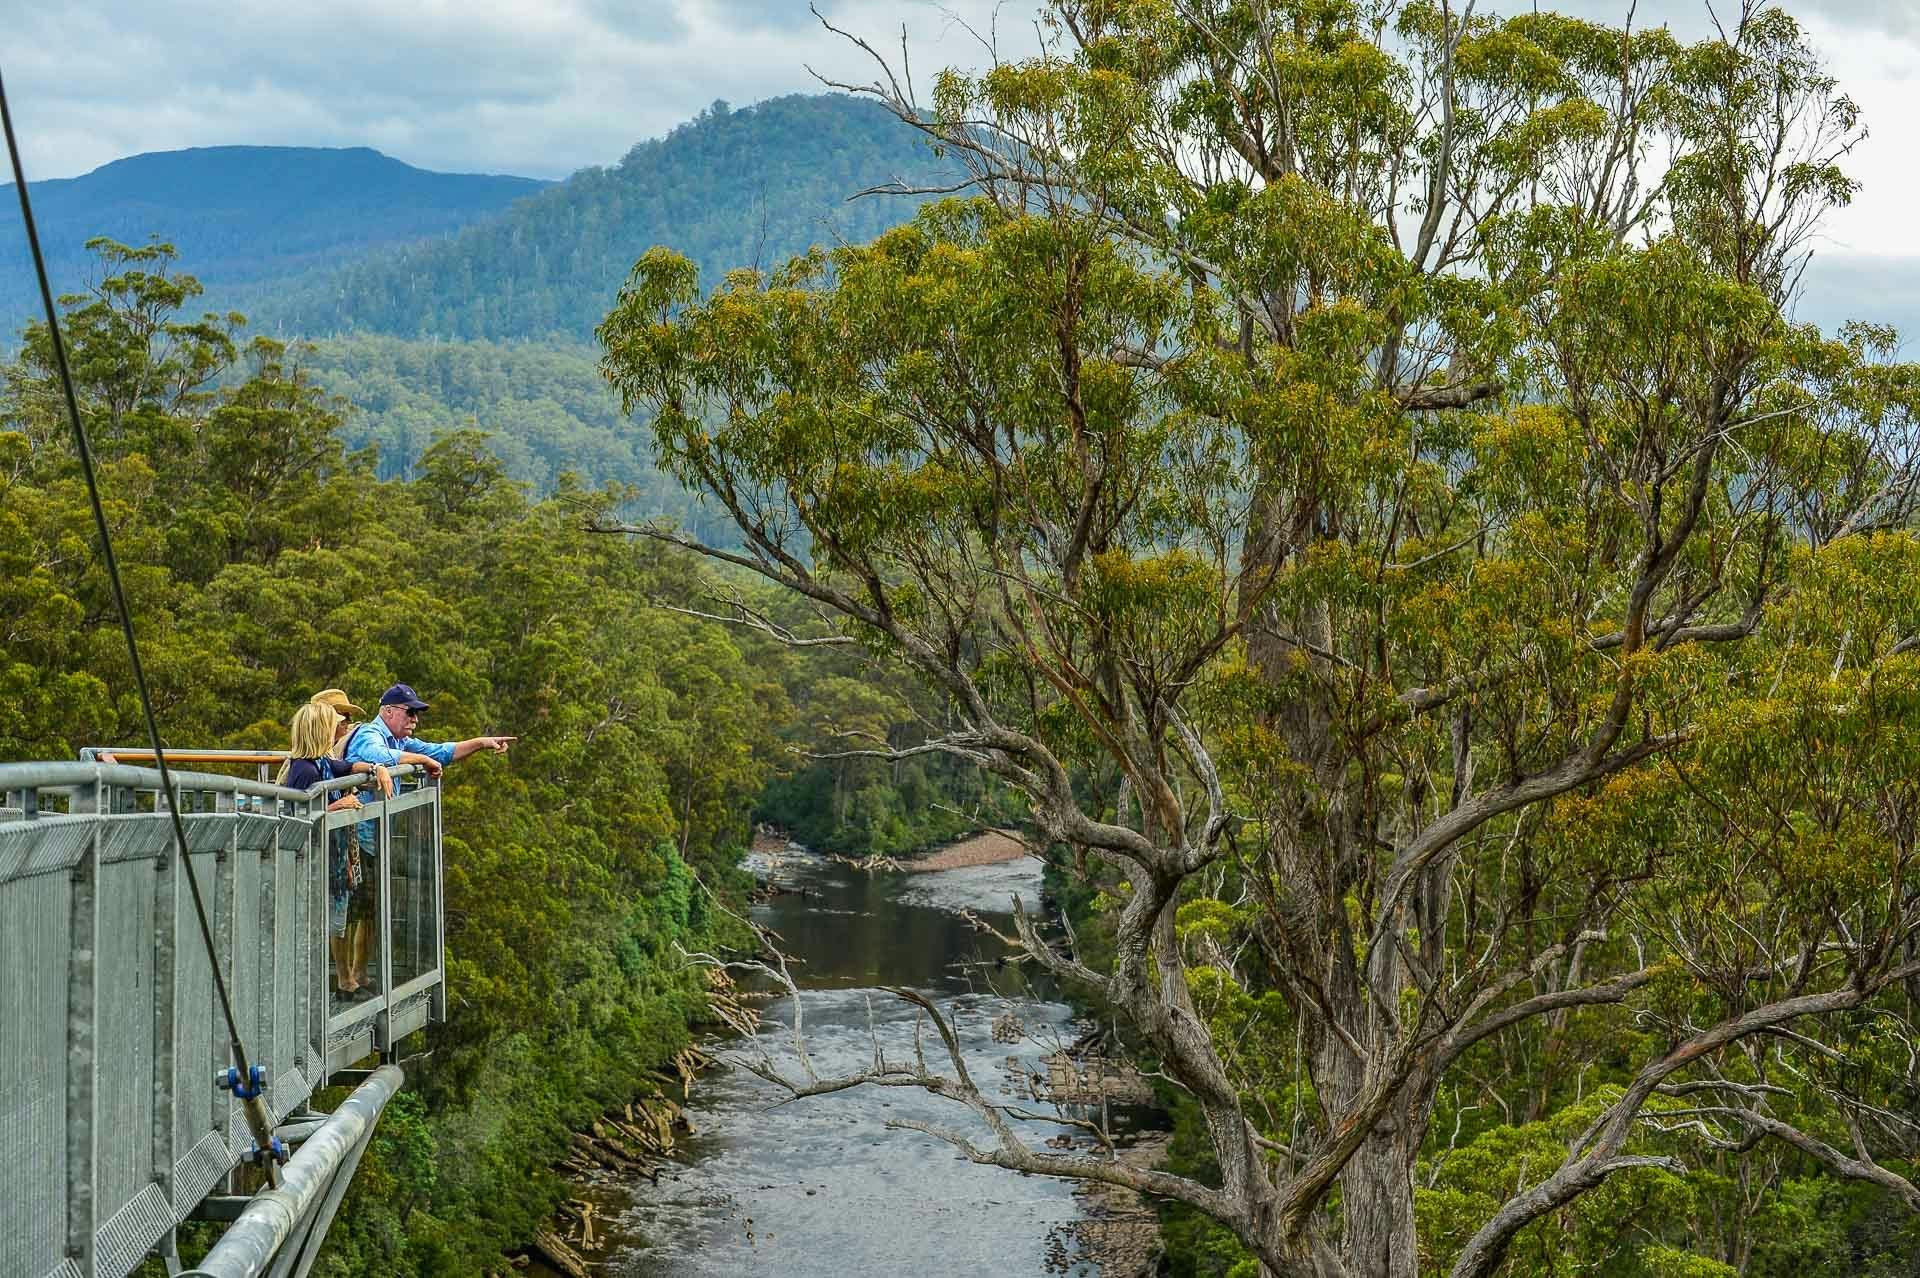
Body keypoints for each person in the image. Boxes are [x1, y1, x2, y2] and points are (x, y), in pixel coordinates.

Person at [339, 683, 514, 992]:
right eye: (410, 713)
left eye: (417, 715)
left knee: (369, 912)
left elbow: (440, 751)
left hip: (371, 839)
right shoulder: (370, 735)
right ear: (388, 711)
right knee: (349, 912)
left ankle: (360, 973)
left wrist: (482, 742)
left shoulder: (398, 739)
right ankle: (346, 979)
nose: (415, 720)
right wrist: (420, 761)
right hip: (352, 835)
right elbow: (380, 757)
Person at [277, 701, 386, 1000]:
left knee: (339, 916)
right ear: (319, 730)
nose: (341, 729)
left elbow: (349, 766)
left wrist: (376, 769)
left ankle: (339, 983)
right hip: (312, 858)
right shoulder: (303, 769)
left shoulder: (322, 764)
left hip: (332, 856)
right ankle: (312, 993)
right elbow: (297, 813)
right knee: (318, 922)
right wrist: (339, 804)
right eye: (334, 723)